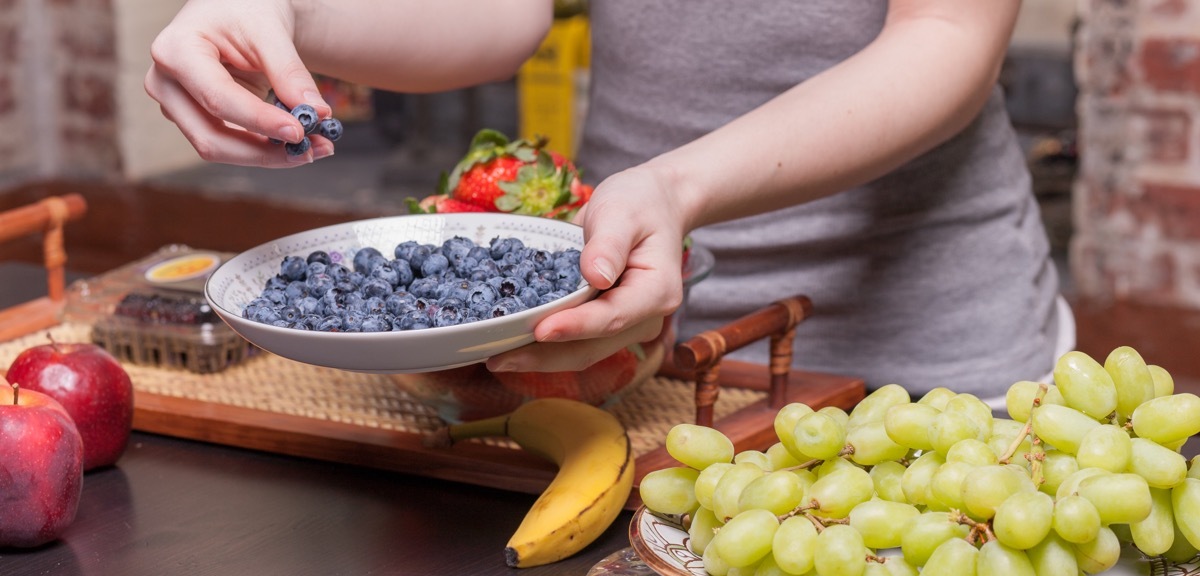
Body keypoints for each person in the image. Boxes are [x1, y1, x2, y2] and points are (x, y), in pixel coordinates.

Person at [145, 0, 1068, 401]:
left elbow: (947, 39)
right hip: (623, 354)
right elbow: (506, 19)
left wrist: (678, 185)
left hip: (925, 362)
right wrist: (288, 21)